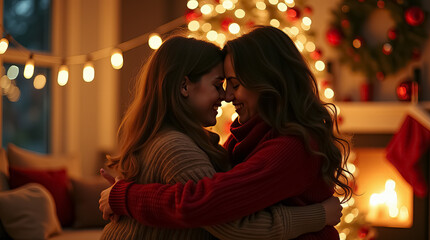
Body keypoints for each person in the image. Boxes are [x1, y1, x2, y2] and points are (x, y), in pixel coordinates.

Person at [100, 28, 351, 239]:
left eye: (235, 84)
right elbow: (211, 203)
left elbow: (203, 204)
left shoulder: (291, 146)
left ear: (267, 81)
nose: (228, 97)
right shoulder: (243, 138)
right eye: (221, 85)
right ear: (184, 86)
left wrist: (125, 195)